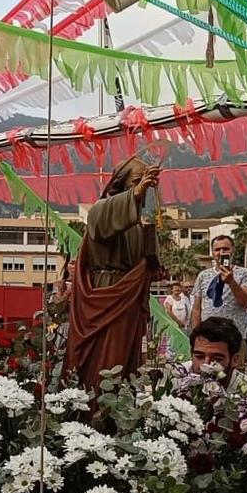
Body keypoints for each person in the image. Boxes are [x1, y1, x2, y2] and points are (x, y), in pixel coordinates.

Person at [64, 156, 161, 390]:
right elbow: (102, 222)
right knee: (105, 361)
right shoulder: (102, 209)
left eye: (146, 182)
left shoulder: (137, 223)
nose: (143, 187)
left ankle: (119, 414)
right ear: (121, 182)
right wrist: (136, 194)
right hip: (106, 294)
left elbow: (152, 266)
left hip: (129, 300)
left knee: (125, 363)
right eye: (137, 181)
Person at [188, 235, 247, 334]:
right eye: (217, 249)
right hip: (208, 335)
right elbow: (196, 309)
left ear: (233, 250)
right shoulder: (203, 275)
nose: (221, 252)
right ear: (212, 252)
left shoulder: (244, 274)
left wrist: (231, 282)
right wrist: (195, 335)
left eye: (225, 249)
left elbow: (246, 302)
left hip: (234, 336)